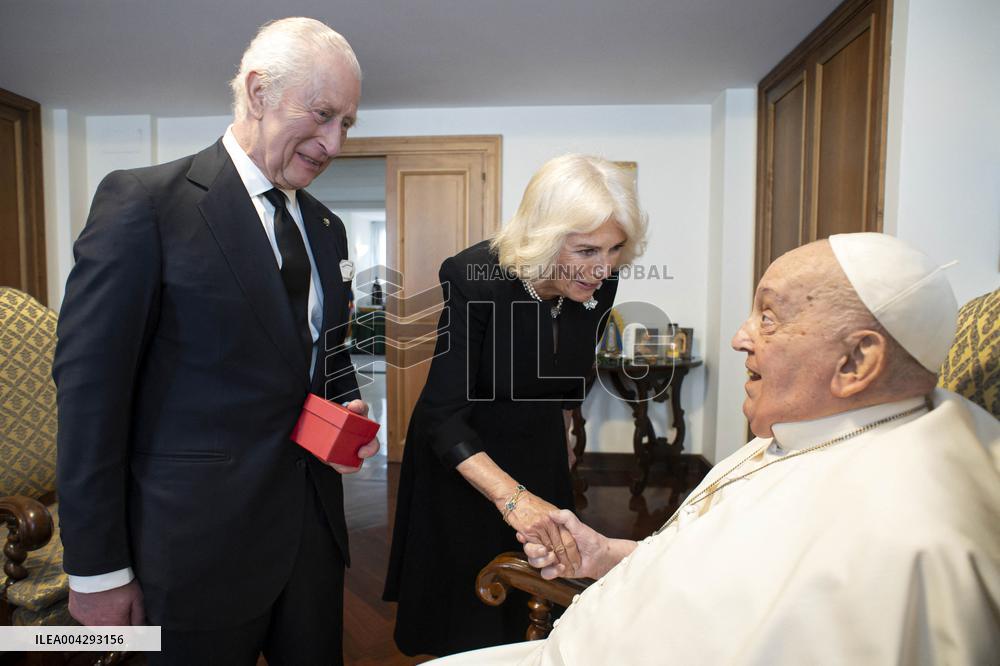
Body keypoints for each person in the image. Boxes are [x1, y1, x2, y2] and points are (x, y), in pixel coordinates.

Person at [432, 233, 1000, 665]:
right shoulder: (812, 429)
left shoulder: (908, 536)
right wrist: (606, 555)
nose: (739, 336)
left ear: (856, 362)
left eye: (769, 316)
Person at [53, 17, 377, 665]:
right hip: (189, 554)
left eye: (347, 123)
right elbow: (90, 400)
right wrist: (97, 573)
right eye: (322, 114)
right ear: (258, 94)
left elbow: (321, 354)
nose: (335, 142)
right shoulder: (143, 205)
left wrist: (343, 408)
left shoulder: (325, 226)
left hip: (310, 541)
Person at [383, 154, 648, 656]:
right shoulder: (474, 276)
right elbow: (442, 413)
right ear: (545, 237)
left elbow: (572, 371)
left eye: (614, 250)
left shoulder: (600, 283)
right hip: (466, 453)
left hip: (537, 445)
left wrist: (565, 436)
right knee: (469, 611)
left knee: (539, 595)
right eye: (587, 249)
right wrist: (514, 499)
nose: (603, 268)